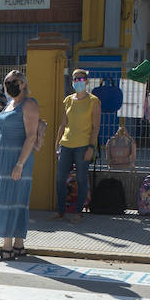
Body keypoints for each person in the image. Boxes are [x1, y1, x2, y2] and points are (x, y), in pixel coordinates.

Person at [0, 70, 40, 260]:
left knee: (10, 201)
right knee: (11, 200)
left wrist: (19, 164)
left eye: (13, 81)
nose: (9, 84)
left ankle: (7, 248)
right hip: (3, 160)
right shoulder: (11, 103)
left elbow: (31, 136)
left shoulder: (29, 104)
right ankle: (18, 246)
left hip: (18, 159)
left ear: (23, 83)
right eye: (6, 81)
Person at [55, 67, 101, 223]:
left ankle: (78, 212)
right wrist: (57, 144)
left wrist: (91, 148)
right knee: (60, 178)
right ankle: (61, 211)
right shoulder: (68, 100)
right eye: (75, 79)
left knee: (81, 179)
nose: (77, 81)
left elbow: (95, 127)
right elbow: (63, 124)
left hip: (83, 145)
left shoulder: (93, 101)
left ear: (86, 82)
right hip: (66, 144)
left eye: (81, 79)